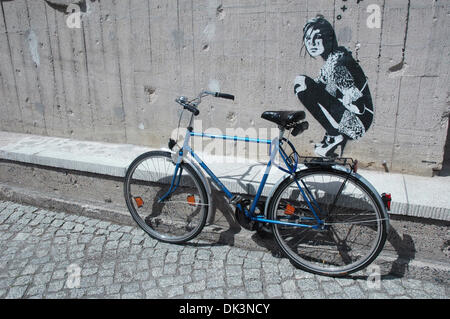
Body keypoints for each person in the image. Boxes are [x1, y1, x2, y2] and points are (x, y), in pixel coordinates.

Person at [294, 15, 374, 158]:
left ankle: (334, 135)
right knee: (309, 87)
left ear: (328, 38)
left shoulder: (337, 64)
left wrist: (343, 99)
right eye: (307, 39)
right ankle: (332, 137)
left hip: (357, 123)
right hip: (354, 120)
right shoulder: (332, 61)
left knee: (301, 83)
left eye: (317, 37)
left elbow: (358, 105)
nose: (311, 43)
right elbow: (321, 91)